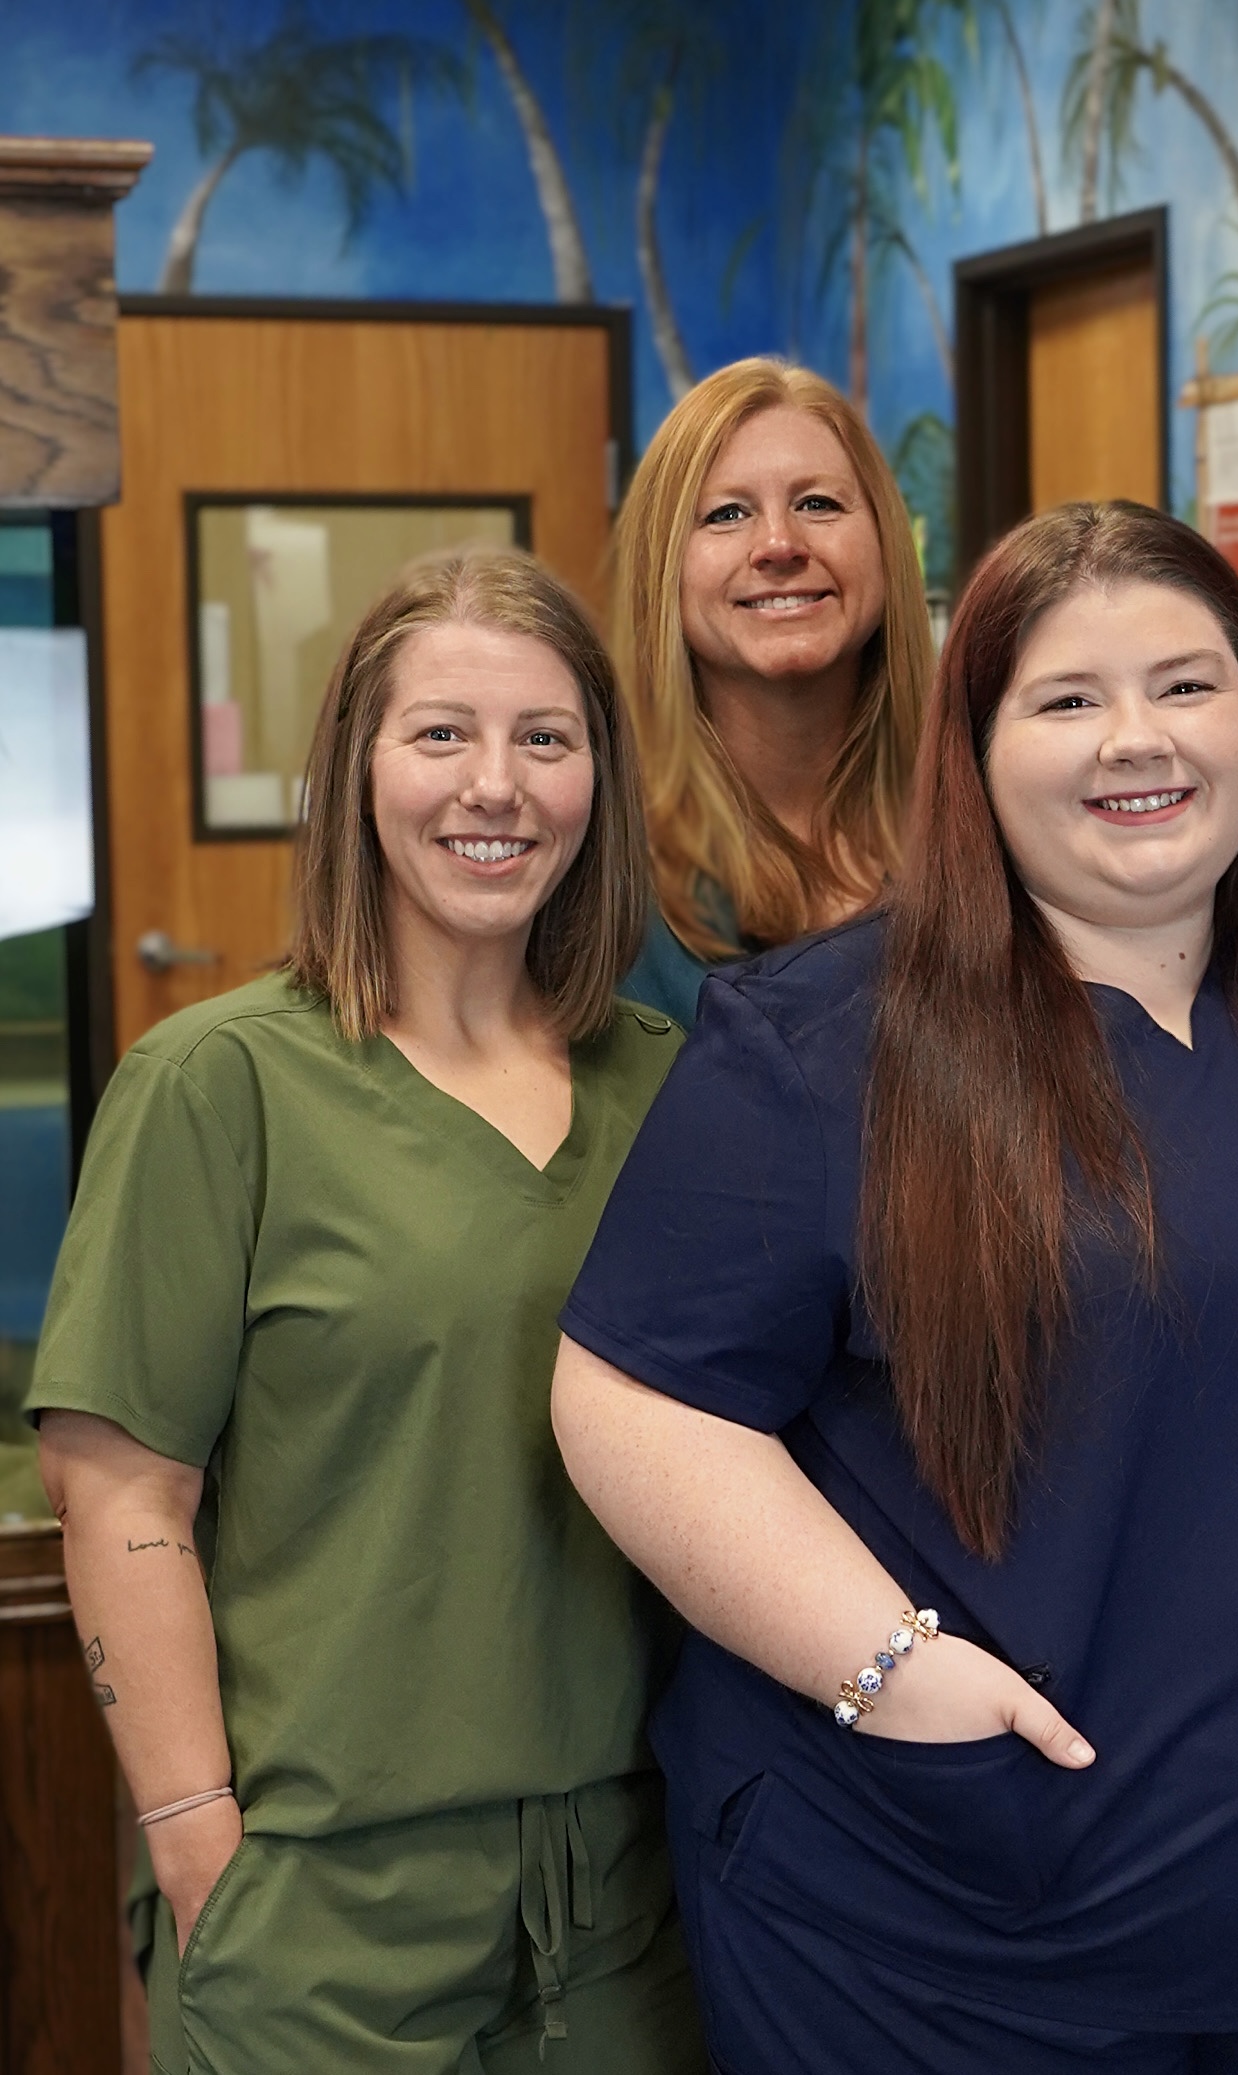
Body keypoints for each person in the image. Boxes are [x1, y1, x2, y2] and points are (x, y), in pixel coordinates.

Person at [548, 501, 1238, 2071]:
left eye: (1189, 684)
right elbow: (635, 1396)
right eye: (1068, 699)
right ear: (976, 753)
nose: (1140, 738)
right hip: (958, 1930)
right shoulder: (823, 1045)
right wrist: (888, 1668)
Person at [30, 547, 699, 2071]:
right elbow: (119, 1490)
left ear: (598, 775)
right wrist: (200, 1847)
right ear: (355, 766)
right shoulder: (219, 1084)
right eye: (441, 732)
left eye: (545, 736)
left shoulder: (669, 1086)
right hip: (317, 1905)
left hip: (622, 1905)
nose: (496, 784)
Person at [610, 357, 931, 1025]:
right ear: (661, 570)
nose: (780, 544)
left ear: (885, 543)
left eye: (818, 504)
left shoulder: (988, 818)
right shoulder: (599, 864)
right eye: (727, 514)